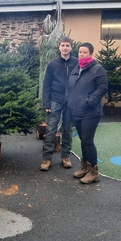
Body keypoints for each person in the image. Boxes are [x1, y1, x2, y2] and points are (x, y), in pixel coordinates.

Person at [66, 42, 108, 183]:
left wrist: (89, 102)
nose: (81, 54)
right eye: (80, 52)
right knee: (83, 141)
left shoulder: (98, 69)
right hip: (76, 110)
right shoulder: (77, 68)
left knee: (88, 141)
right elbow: (70, 86)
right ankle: (84, 167)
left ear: (91, 53)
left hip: (91, 112)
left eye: (84, 52)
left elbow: (102, 88)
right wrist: (69, 100)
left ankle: (94, 172)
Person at [40, 36, 78, 171]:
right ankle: (46, 159)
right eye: (63, 45)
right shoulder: (53, 64)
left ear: (71, 47)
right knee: (51, 129)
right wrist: (46, 103)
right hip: (55, 100)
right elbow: (47, 84)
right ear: (59, 47)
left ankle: (65, 157)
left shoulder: (77, 63)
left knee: (67, 129)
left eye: (67, 45)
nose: (65, 48)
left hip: (70, 101)